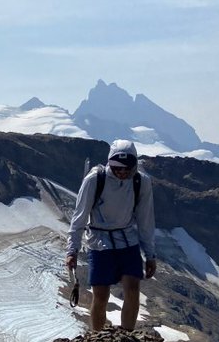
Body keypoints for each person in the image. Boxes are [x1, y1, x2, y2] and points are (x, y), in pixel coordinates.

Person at [65, 139, 157, 331]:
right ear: (110, 163)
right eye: (117, 167)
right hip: (100, 242)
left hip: (127, 240)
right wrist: (71, 250)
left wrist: (150, 254)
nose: (122, 172)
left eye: (127, 168)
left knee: (132, 288)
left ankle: (127, 335)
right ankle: (98, 337)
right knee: (101, 294)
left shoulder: (141, 182)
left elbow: (145, 219)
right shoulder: (94, 180)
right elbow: (80, 216)